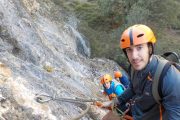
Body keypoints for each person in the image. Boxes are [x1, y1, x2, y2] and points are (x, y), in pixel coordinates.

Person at [100, 24, 180, 120]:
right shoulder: (134, 68)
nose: (134, 56)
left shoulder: (169, 78)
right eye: (129, 50)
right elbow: (133, 88)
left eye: (139, 48)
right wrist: (116, 101)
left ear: (150, 48)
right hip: (135, 111)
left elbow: (175, 115)